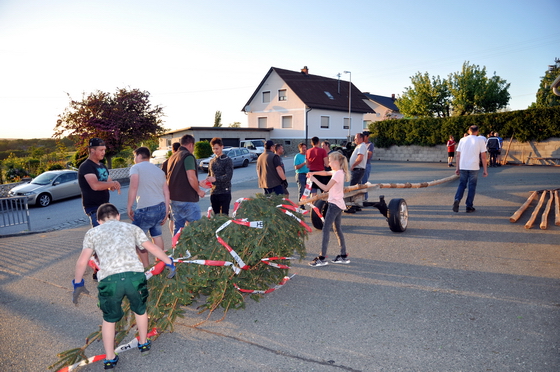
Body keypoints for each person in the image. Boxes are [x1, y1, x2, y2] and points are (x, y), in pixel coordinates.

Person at [72, 203, 175, 370]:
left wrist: (78, 283)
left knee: (109, 319)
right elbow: (151, 248)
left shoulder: (92, 233)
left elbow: (82, 261)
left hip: (109, 281)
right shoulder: (131, 228)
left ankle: (110, 358)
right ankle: (143, 343)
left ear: (98, 221)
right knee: (140, 310)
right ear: (118, 216)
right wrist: (168, 261)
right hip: (134, 276)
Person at [127, 147, 170, 267]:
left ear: (140, 156)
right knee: (156, 235)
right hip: (160, 208)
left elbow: (133, 187)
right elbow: (166, 192)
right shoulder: (159, 171)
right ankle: (160, 263)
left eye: (135, 156)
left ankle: (146, 267)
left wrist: (129, 206)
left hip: (146, 209)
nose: (134, 159)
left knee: (137, 239)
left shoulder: (136, 168)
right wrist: (166, 211)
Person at [307, 151, 350, 267]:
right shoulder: (338, 171)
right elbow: (325, 173)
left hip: (334, 205)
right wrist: (313, 173)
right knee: (337, 229)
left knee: (326, 229)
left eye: (330, 161)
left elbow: (325, 188)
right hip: (338, 203)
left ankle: (322, 257)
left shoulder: (337, 174)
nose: (328, 163)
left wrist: (314, 179)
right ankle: (343, 255)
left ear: (336, 161)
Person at [165, 134, 205, 235]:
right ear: (191, 145)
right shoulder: (187, 156)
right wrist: (199, 191)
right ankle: (196, 250)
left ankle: (177, 249)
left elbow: (179, 177)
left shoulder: (172, 157)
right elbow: (191, 177)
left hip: (174, 199)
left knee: (178, 229)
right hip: (187, 199)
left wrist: (199, 183)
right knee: (196, 230)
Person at [78, 138, 121, 227]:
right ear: (92, 150)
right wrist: (112, 183)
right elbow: (95, 186)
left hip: (106, 206)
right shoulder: (86, 166)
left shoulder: (102, 166)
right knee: (101, 238)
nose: (104, 153)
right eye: (101, 150)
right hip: (94, 209)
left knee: (111, 235)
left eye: (104, 150)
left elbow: (109, 184)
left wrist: (114, 185)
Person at [452, 125, 488, 213]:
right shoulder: (480, 140)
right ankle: (469, 206)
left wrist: (457, 168)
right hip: (474, 166)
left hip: (463, 165)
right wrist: (485, 170)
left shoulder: (462, 140)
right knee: (472, 186)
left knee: (462, 184)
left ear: (469, 131)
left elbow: (458, 155)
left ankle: (457, 199)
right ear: (477, 131)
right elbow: (483, 156)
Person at [202, 137, 233, 215]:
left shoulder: (227, 160)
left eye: (217, 148)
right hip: (214, 192)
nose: (215, 151)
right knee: (216, 216)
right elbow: (209, 174)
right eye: (213, 149)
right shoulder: (211, 161)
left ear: (222, 147)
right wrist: (207, 180)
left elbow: (228, 176)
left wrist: (215, 179)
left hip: (224, 192)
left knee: (224, 216)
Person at [346, 132, 367, 213]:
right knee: (357, 188)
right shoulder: (360, 146)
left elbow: (360, 158)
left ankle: (352, 207)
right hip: (358, 169)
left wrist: (353, 165)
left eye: (356, 138)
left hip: (358, 169)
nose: (354, 139)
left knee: (353, 188)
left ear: (361, 138)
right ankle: (357, 205)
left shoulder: (362, 146)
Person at [162, 142, 180, 234]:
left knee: (172, 219)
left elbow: (162, 179)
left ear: (172, 150)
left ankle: (174, 239)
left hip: (170, 194)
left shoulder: (166, 162)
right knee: (185, 218)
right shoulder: (181, 161)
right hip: (182, 194)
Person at [361, 131, 375, 200]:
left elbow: (369, 156)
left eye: (364, 136)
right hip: (360, 165)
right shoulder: (360, 144)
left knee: (364, 182)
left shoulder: (370, 145)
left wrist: (360, 156)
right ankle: (359, 198)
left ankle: (365, 199)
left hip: (366, 164)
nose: (363, 138)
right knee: (359, 183)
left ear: (367, 137)